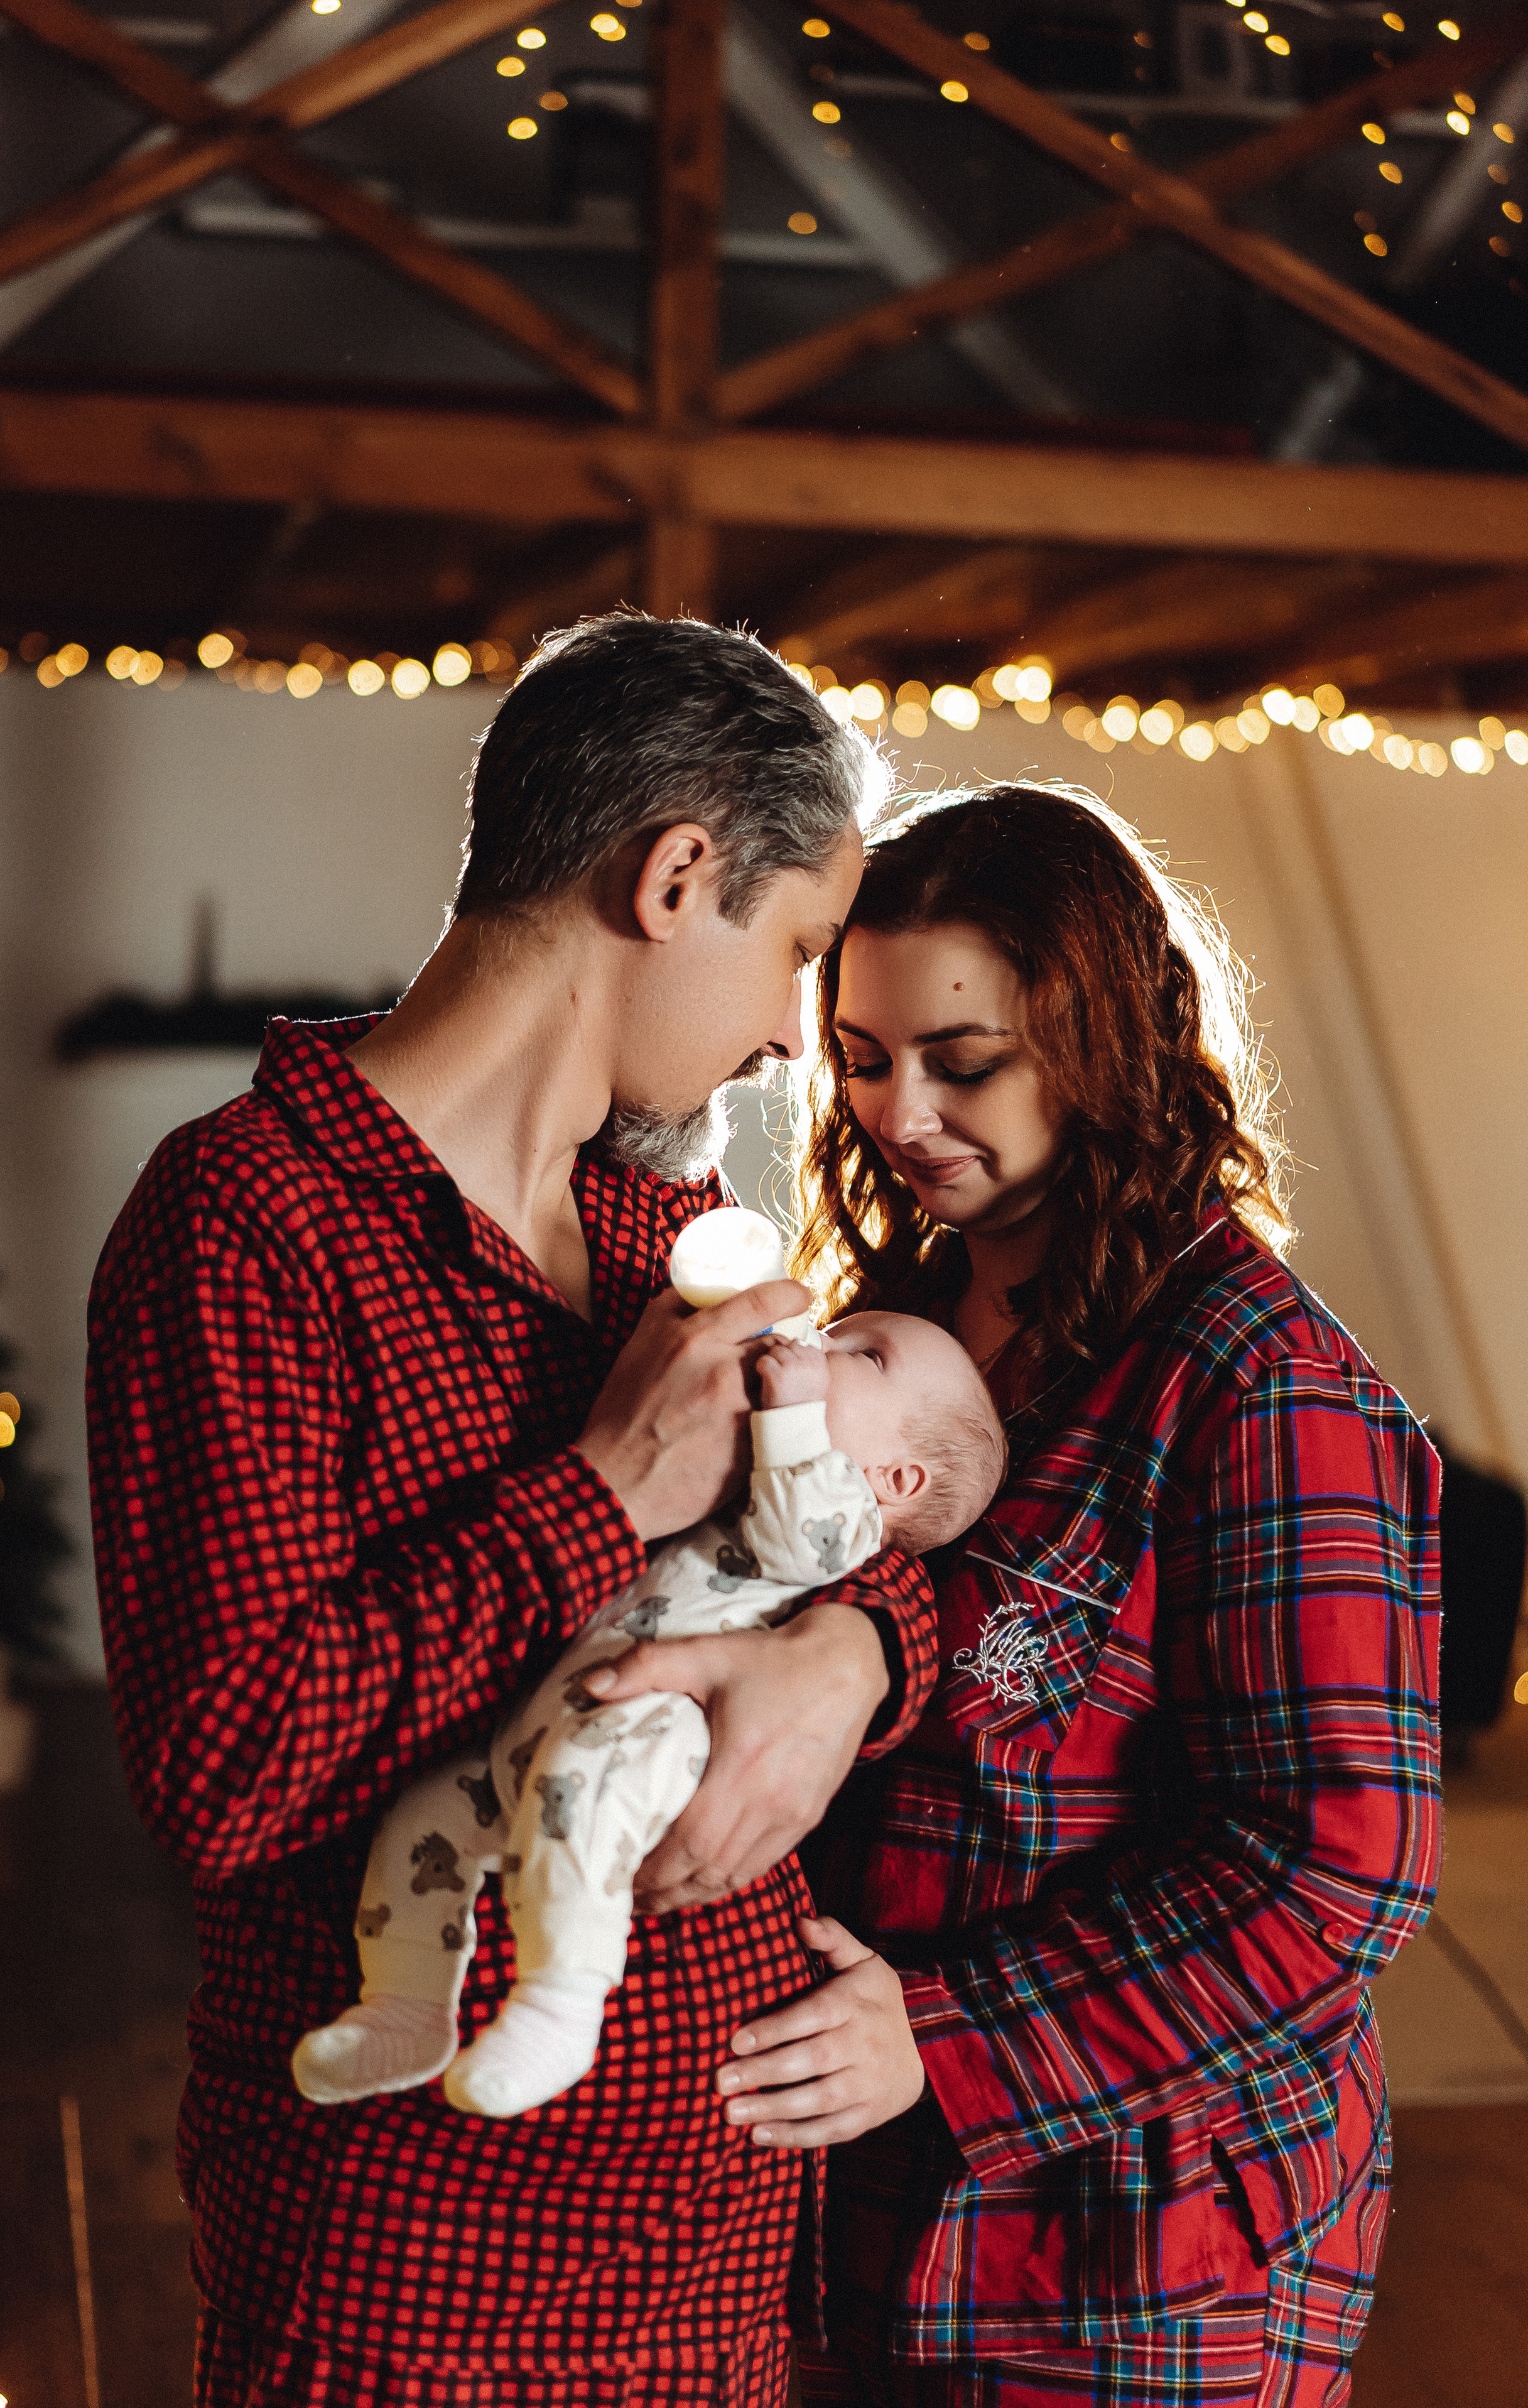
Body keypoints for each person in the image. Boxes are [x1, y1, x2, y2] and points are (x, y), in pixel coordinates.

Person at [85, 613, 939, 2408]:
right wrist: (602, 1492)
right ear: (678, 875)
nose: (799, 1042)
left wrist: (859, 1653)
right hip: (411, 2289)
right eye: (797, 951)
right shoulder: (249, 1220)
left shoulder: (661, 1242)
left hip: (715, 2266)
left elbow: (858, 1535)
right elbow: (230, 1767)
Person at [702, 787, 1442, 2407]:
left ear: (1098, 1036)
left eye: (961, 1063)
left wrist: (945, 2036)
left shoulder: (1258, 1382)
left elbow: (1338, 1865)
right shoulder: (898, 1317)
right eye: (866, 1055)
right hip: (870, 2212)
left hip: (1134, 2250)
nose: (901, 1112)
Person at [292, 1314, 1005, 2120]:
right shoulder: (760, 1468)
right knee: (425, 1817)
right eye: (835, 1329)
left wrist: (797, 1407)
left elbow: (803, 1540)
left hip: (657, 1729)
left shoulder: (842, 1511)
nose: (823, 1343)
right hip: (558, 1714)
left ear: (896, 1480)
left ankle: (559, 2002)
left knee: (578, 1806)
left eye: (862, 1354)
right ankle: (408, 2004)